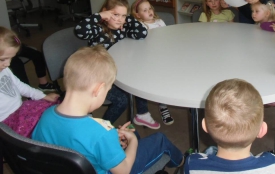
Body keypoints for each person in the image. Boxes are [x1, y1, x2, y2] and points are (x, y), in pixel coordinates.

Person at [33, 46, 185, 174]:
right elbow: (123, 170)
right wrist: (131, 142)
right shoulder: (101, 133)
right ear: (98, 89)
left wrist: (112, 141)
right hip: (115, 170)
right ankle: (181, 162)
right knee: (159, 140)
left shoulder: (46, 115)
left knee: (133, 133)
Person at [75, 0, 160, 129]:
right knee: (122, 100)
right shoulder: (98, 29)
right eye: (115, 15)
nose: (120, 20)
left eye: (123, 16)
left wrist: (129, 20)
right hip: (98, 76)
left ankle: (142, 114)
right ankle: (102, 128)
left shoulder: (124, 29)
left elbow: (142, 33)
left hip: (118, 71)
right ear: (105, 12)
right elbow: (80, 31)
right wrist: (100, 16)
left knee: (140, 79)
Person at [185, 79, 275, 173]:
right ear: (262, 130)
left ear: (205, 126)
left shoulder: (193, 164)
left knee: (210, 150)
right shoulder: (274, 164)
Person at [0, 26, 59, 137]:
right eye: (3, 59)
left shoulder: (4, 69)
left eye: (10, 58)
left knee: (53, 108)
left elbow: (19, 85)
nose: (7, 64)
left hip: (20, 110)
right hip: (6, 124)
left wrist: (42, 96)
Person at [131, 0, 174, 125]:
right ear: (138, 15)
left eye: (150, 8)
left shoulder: (160, 21)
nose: (149, 11)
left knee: (165, 81)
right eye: (144, 10)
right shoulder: (141, 25)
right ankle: (158, 107)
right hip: (150, 59)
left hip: (163, 56)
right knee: (155, 82)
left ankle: (163, 106)